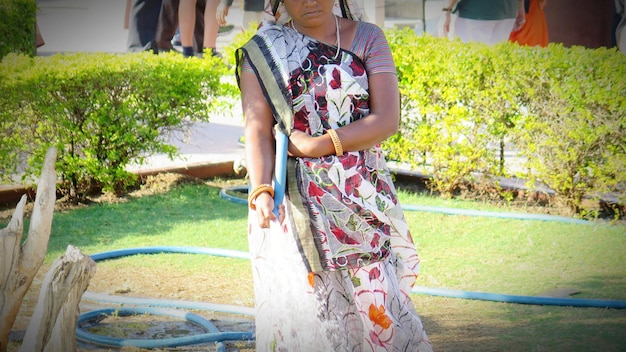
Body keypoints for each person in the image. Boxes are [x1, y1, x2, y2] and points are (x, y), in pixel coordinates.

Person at [235, 0, 433, 350]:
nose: (310, 1)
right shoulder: (262, 51)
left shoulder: (368, 38)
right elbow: (257, 130)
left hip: (360, 196)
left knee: (378, 305)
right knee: (308, 314)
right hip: (290, 206)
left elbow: (387, 119)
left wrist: (317, 146)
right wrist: (261, 189)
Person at [443, 0, 526, 45]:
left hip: (476, 12)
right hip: (508, 11)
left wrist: (447, 10)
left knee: (471, 60)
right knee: (495, 61)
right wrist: (520, 8)